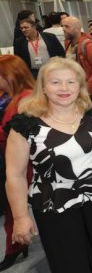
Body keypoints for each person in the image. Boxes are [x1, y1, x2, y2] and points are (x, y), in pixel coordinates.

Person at [5, 57, 92, 273]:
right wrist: (20, 217)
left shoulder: (91, 114)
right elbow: (15, 175)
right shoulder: (26, 125)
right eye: (55, 82)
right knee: (71, 263)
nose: (64, 88)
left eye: (71, 82)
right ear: (43, 86)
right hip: (55, 205)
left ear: (80, 86)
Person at [0, 55, 34, 271]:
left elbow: (17, 134)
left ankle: (14, 247)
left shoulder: (26, 99)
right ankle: (17, 244)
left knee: (13, 206)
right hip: (7, 161)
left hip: (21, 164)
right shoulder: (7, 95)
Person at [63, 16, 92, 115]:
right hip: (76, 92)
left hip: (91, 95)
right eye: (63, 26)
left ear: (77, 28)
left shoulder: (88, 46)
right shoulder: (68, 44)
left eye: (67, 26)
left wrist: (87, 90)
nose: (63, 29)